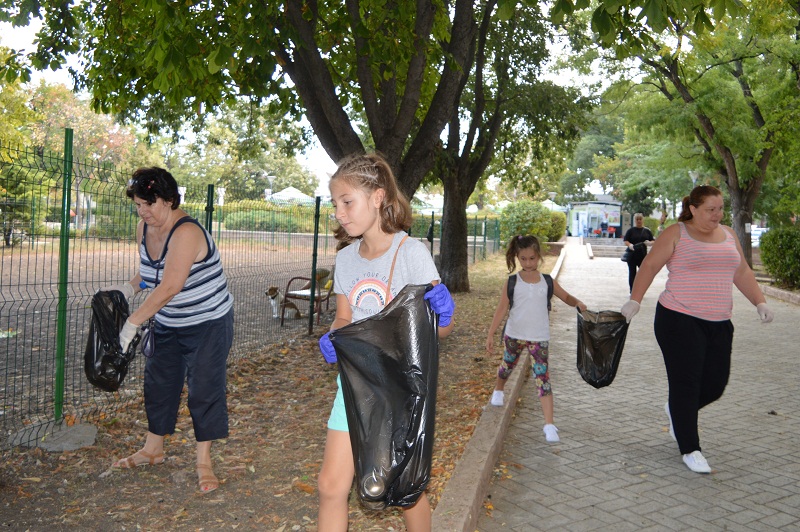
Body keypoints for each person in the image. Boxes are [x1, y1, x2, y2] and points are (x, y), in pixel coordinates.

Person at [316, 153, 455, 531]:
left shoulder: (411, 253)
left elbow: (438, 332)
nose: (339, 213)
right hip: (355, 385)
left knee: (406, 488)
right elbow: (344, 318)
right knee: (330, 486)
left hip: (401, 390)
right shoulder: (346, 259)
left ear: (377, 197)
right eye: (335, 204)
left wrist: (443, 316)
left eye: (347, 202)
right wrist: (333, 337)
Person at [620, 185, 774, 474]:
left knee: (716, 385)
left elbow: (741, 271)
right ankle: (690, 449)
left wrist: (760, 301)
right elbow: (649, 266)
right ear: (693, 209)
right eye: (710, 209)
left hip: (719, 323)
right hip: (678, 320)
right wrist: (635, 300)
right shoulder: (676, 233)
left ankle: (676, 410)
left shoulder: (728, 234)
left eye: (720, 209)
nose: (717, 214)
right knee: (686, 385)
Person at [101, 167, 234, 493]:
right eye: (138, 205)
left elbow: (171, 285)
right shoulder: (144, 228)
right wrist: (127, 288)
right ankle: (153, 449)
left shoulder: (187, 232)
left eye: (149, 204)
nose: (143, 212)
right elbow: (152, 272)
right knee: (159, 383)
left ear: (170, 200)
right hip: (169, 321)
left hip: (208, 322)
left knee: (204, 388)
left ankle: (204, 462)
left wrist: (132, 322)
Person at [485, 235, 587, 443]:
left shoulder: (547, 281)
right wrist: (491, 333)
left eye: (532, 258)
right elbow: (502, 308)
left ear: (538, 256)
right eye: (523, 259)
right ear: (517, 257)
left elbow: (566, 297)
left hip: (539, 338)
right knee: (506, 366)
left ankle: (549, 425)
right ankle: (499, 389)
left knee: (543, 379)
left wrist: (578, 303)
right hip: (514, 335)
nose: (528, 263)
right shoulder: (512, 282)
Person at [623, 213, 655, 292]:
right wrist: (630, 245)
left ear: (642, 220)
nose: (639, 221)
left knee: (643, 274)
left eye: (640, 219)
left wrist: (650, 243)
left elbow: (653, 240)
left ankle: (640, 290)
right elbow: (625, 240)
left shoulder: (647, 231)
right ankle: (632, 290)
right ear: (635, 220)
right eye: (637, 219)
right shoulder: (631, 231)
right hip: (632, 255)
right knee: (632, 273)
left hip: (642, 255)